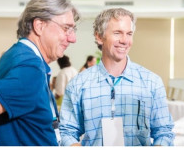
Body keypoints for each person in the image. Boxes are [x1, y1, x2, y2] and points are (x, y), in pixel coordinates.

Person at [0, 0, 79, 145]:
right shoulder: (30, 67)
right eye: (66, 28)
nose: (72, 38)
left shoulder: (13, 56)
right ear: (40, 26)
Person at [61, 8, 174, 146]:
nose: (124, 40)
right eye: (117, 33)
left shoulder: (152, 82)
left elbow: (164, 132)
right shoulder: (78, 84)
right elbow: (67, 133)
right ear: (99, 37)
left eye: (129, 34)